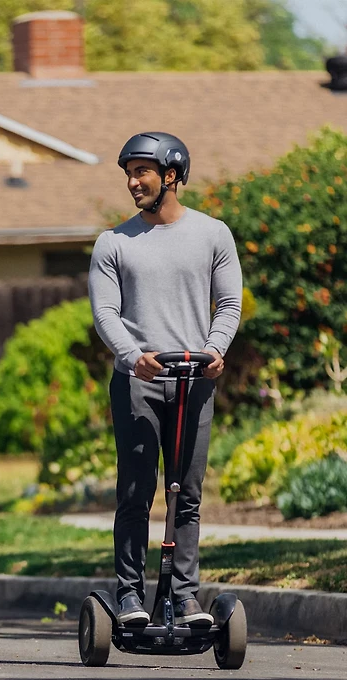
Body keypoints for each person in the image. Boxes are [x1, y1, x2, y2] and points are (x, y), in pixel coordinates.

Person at [88, 132, 242, 625]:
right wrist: (133, 356)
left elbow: (229, 303)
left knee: (188, 494)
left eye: (142, 172)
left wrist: (216, 350)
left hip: (194, 381)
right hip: (138, 381)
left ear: (171, 175)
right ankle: (130, 595)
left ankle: (183, 596)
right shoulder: (113, 242)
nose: (133, 182)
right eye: (129, 174)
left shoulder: (213, 234)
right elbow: (106, 313)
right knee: (136, 491)